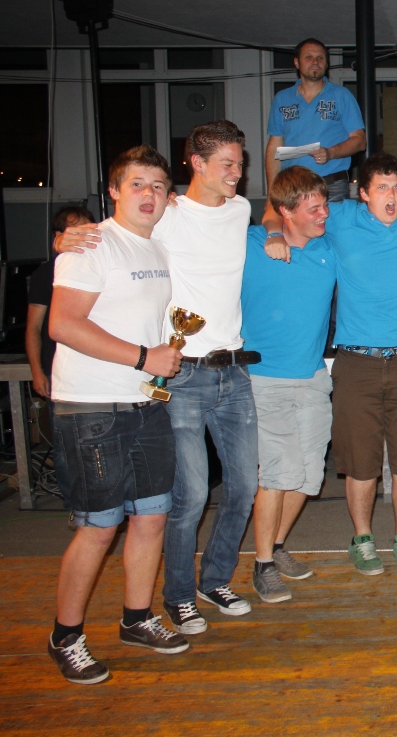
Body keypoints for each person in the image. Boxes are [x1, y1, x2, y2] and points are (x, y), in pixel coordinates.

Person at [58, 120, 260, 635]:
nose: (237, 173)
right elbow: (115, 232)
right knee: (189, 497)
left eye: (240, 164)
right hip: (181, 374)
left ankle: (214, 580)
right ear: (197, 164)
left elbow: (267, 221)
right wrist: (67, 237)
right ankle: (178, 596)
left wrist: (277, 231)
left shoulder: (241, 210)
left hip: (233, 372)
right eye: (227, 164)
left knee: (243, 489)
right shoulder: (165, 214)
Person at [46, 145, 186, 684]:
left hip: (145, 404)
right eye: (136, 184)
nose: (149, 194)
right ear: (113, 191)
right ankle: (66, 636)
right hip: (91, 408)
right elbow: (63, 324)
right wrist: (144, 357)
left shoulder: (158, 245)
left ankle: (137, 617)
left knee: (152, 517)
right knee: (99, 528)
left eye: (158, 185)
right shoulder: (90, 245)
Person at [262, 153, 397, 578]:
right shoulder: (339, 218)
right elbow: (281, 206)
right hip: (356, 361)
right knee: (360, 462)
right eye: (382, 188)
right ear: (362, 194)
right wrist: (272, 231)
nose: (392, 196)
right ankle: (363, 538)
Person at [241, 167, 337, 602]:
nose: (323, 214)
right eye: (313, 208)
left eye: (324, 205)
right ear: (285, 211)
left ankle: (276, 546)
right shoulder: (251, 244)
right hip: (265, 380)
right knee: (279, 472)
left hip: (313, 378)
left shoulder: (328, 248)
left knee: (310, 475)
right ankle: (262, 564)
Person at [265, 38, 366, 202]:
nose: (315, 62)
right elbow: (274, 148)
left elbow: (360, 141)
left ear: (326, 64)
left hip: (331, 186)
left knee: (334, 220)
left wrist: (330, 153)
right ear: (297, 63)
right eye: (309, 57)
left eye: (320, 58)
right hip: (292, 187)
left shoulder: (341, 95)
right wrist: (271, 194)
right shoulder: (282, 99)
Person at [27, 205, 95, 400]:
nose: (85, 236)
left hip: (95, 366)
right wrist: (37, 371)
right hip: (59, 369)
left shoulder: (98, 267)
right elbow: (34, 326)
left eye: (88, 230)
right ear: (59, 236)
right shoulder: (46, 273)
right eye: (78, 231)